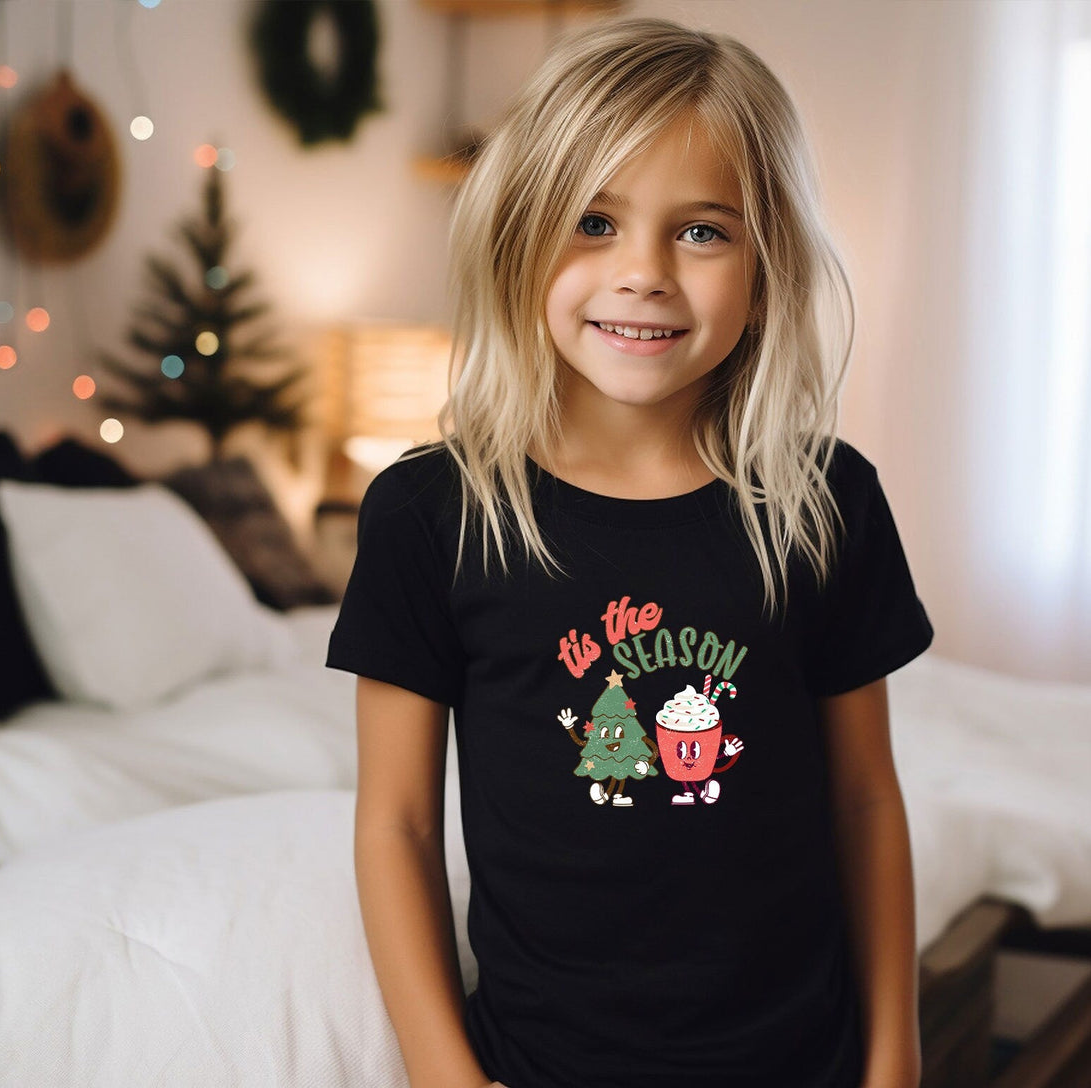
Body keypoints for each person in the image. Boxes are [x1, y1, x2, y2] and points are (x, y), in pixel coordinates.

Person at [326, 15, 933, 1088]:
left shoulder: (825, 500)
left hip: (804, 1060)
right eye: (593, 222)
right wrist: (444, 1075)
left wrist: (895, 1060)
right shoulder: (430, 514)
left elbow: (864, 800)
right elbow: (398, 824)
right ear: (518, 238)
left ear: (767, 264)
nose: (643, 273)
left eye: (701, 231)